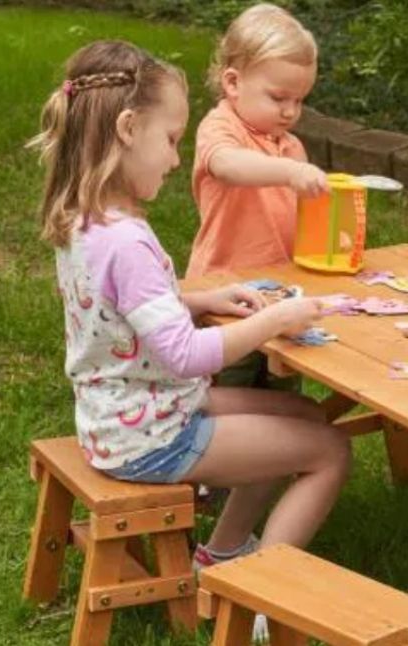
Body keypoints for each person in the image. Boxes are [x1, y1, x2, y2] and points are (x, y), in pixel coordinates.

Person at [31, 40, 350, 641]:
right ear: (128, 129)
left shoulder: (86, 216)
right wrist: (273, 323)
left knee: (302, 413)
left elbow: (119, 311)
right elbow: (186, 354)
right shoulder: (127, 241)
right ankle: (262, 603)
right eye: (172, 140)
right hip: (150, 434)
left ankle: (224, 555)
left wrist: (196, 301)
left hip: (120, 415)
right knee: (330, 451)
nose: (178, 160)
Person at [186, 3, 328, 389]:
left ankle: (283, 445)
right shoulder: (220, 127)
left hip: (280, 293)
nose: (290, 111)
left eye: (299, 100)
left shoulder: (291, 146)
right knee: (230, 388)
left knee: (284, 389)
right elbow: (228, 165)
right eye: (279, 97)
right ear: (233, 83)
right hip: (225, 295)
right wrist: (291, 172)